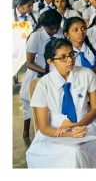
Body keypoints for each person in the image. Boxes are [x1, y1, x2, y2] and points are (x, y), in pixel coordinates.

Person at [25, 38, 96, 168]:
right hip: (55, 129)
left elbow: (95, 109)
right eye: (63, 57)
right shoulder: (43, 84)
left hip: (86, 123)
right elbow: (43, 127)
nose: (70, 60)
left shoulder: (87, 74)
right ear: (51, 62)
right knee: (69, 152)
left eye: (72, 54)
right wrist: (68, 133)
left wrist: (78, 125)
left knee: (77, 151)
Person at [20, 10, 63, 138]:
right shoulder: (36, 36)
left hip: (57, 70)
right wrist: (47, 72)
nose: (55, 30)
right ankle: (27, 129)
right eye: (52, 28)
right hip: (38, 71)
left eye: (57, 26)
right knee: (28, 99)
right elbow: (29, 63)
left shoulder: (60, 32)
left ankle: (54, 127)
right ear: (44, 26)